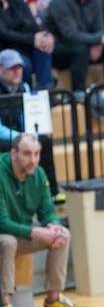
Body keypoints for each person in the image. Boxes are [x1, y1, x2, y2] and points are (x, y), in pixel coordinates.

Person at [0, 134, 88, 307]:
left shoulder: (38, 174)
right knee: (7, 241)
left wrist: (52, 226)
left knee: (63, 234)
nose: (33, 159)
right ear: (14, 153)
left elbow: (47, 210)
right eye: (27, 154)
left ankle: (53, 300)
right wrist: (36, 231)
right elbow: (1, 222)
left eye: (37, 154)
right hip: (5, 236)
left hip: (22, 234)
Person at [45, 0, 104, 91]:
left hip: (86, 42)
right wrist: (101, 40)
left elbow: (100, 27)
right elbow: (70, 34)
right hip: (59, 48)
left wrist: (98, 44)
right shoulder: (60, 1)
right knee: (80, 49)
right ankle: (79, 93)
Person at [0, 49, 59, 199]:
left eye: (19, 68)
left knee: (43, 141)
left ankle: (52, 192)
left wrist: (31, 134)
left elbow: (28, 117)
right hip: (5, 137)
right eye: (11, 68)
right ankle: (10, 196)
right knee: (12, 147)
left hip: (20, 135)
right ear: (1, 69)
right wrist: (21, 137)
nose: (16, 72)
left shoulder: (24, 88)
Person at [0, 0, 53, 88]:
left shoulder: (16, 1)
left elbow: (32, 23)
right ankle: (23, 95)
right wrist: (33, 39)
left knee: (43, 50)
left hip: (23, 46)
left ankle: (45, 92)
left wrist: (45, 36)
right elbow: (4, 34)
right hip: (4, 49)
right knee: (23, 63)